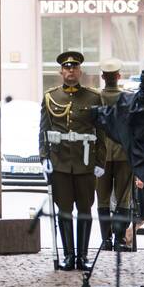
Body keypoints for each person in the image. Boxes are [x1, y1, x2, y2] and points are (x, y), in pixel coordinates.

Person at [38, 51, 105, 270]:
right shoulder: (51, 97)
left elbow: (101, 132)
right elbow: (44, 131)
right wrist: (44, 157)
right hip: (60, 163)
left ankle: (83, 256)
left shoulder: (94, 97)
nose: (70, 71)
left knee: (85, 211)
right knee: (64, 211)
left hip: (85, 163)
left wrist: (100, 162)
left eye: (74, 68)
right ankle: (68, 255)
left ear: (80, 72)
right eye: (67, 68)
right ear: (61, 72)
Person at [96, 58, 133, 251]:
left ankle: (105, 240)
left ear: (103, 77)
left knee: (102, 199)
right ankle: (119, 240)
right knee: (123, 198)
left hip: (101, 156)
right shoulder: (128, 98)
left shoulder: (95, 96)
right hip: (123, 155)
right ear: (118, 76)